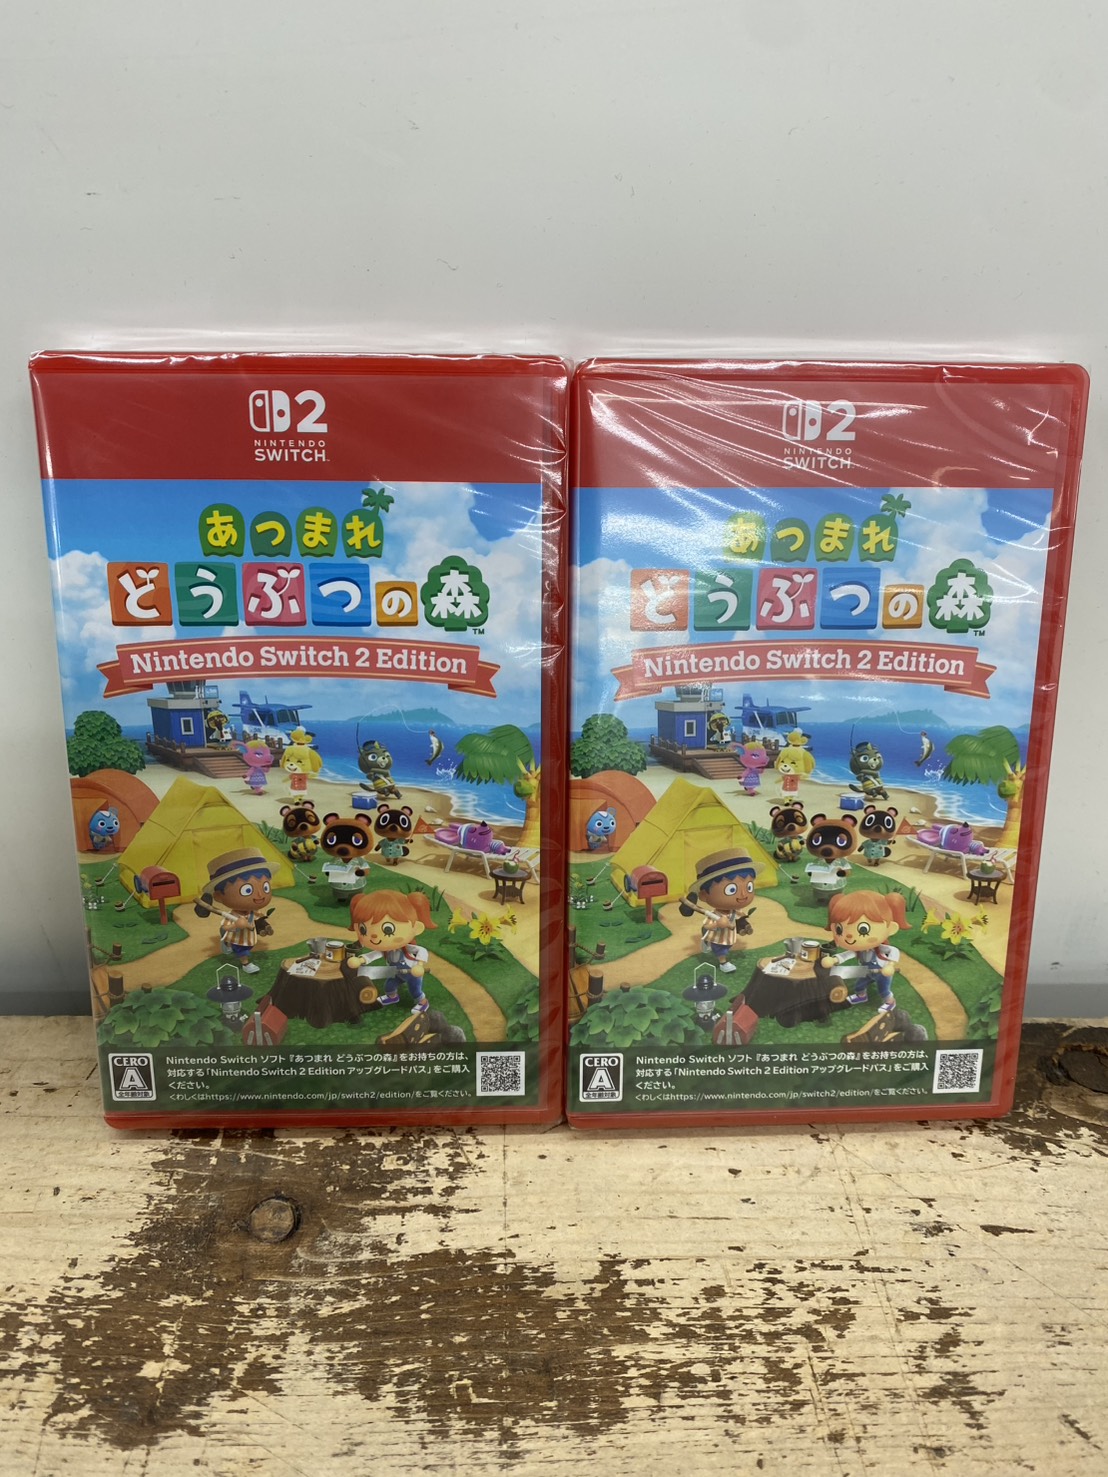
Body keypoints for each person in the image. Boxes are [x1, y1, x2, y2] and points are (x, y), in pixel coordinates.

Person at [350, 889, 437, 1013]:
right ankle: (392, 997)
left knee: (415, 990)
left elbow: (421, 950)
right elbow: (374, 954)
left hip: (412, 973)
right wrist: (361, 960)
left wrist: (419, 965)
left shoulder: (405, 948)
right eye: (363, 930)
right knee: (389, 985)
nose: (374, 936)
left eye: (388, 930)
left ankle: (423, 1002)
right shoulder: (386, 949)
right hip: (396, 972)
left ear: (416, 928)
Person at [823, 889, 907, 1012]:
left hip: (882, 973)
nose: (849, 936)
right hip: (867, 971)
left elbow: (893, 951)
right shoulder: (859, 949)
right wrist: (834, 959)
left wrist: (890, 965)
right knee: (860, 985)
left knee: (883, 990)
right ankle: (861, 996)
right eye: (839, 930)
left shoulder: (878, 948)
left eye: (863, 930)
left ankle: (890, 1002)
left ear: (891, 929)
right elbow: (847, 954)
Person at [194, 849, 274, 975]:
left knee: (247, 946)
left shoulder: (252, 911)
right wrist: (236, 925)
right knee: (242, 950)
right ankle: (246, 964)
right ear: (219, 896)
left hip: (249, 937)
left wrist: (261, 919)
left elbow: (257, 916)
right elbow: (225, 927)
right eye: (247, 890)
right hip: (238, 937)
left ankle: (227, 943)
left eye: (265, 888)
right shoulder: (233, 916)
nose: (259, 895)